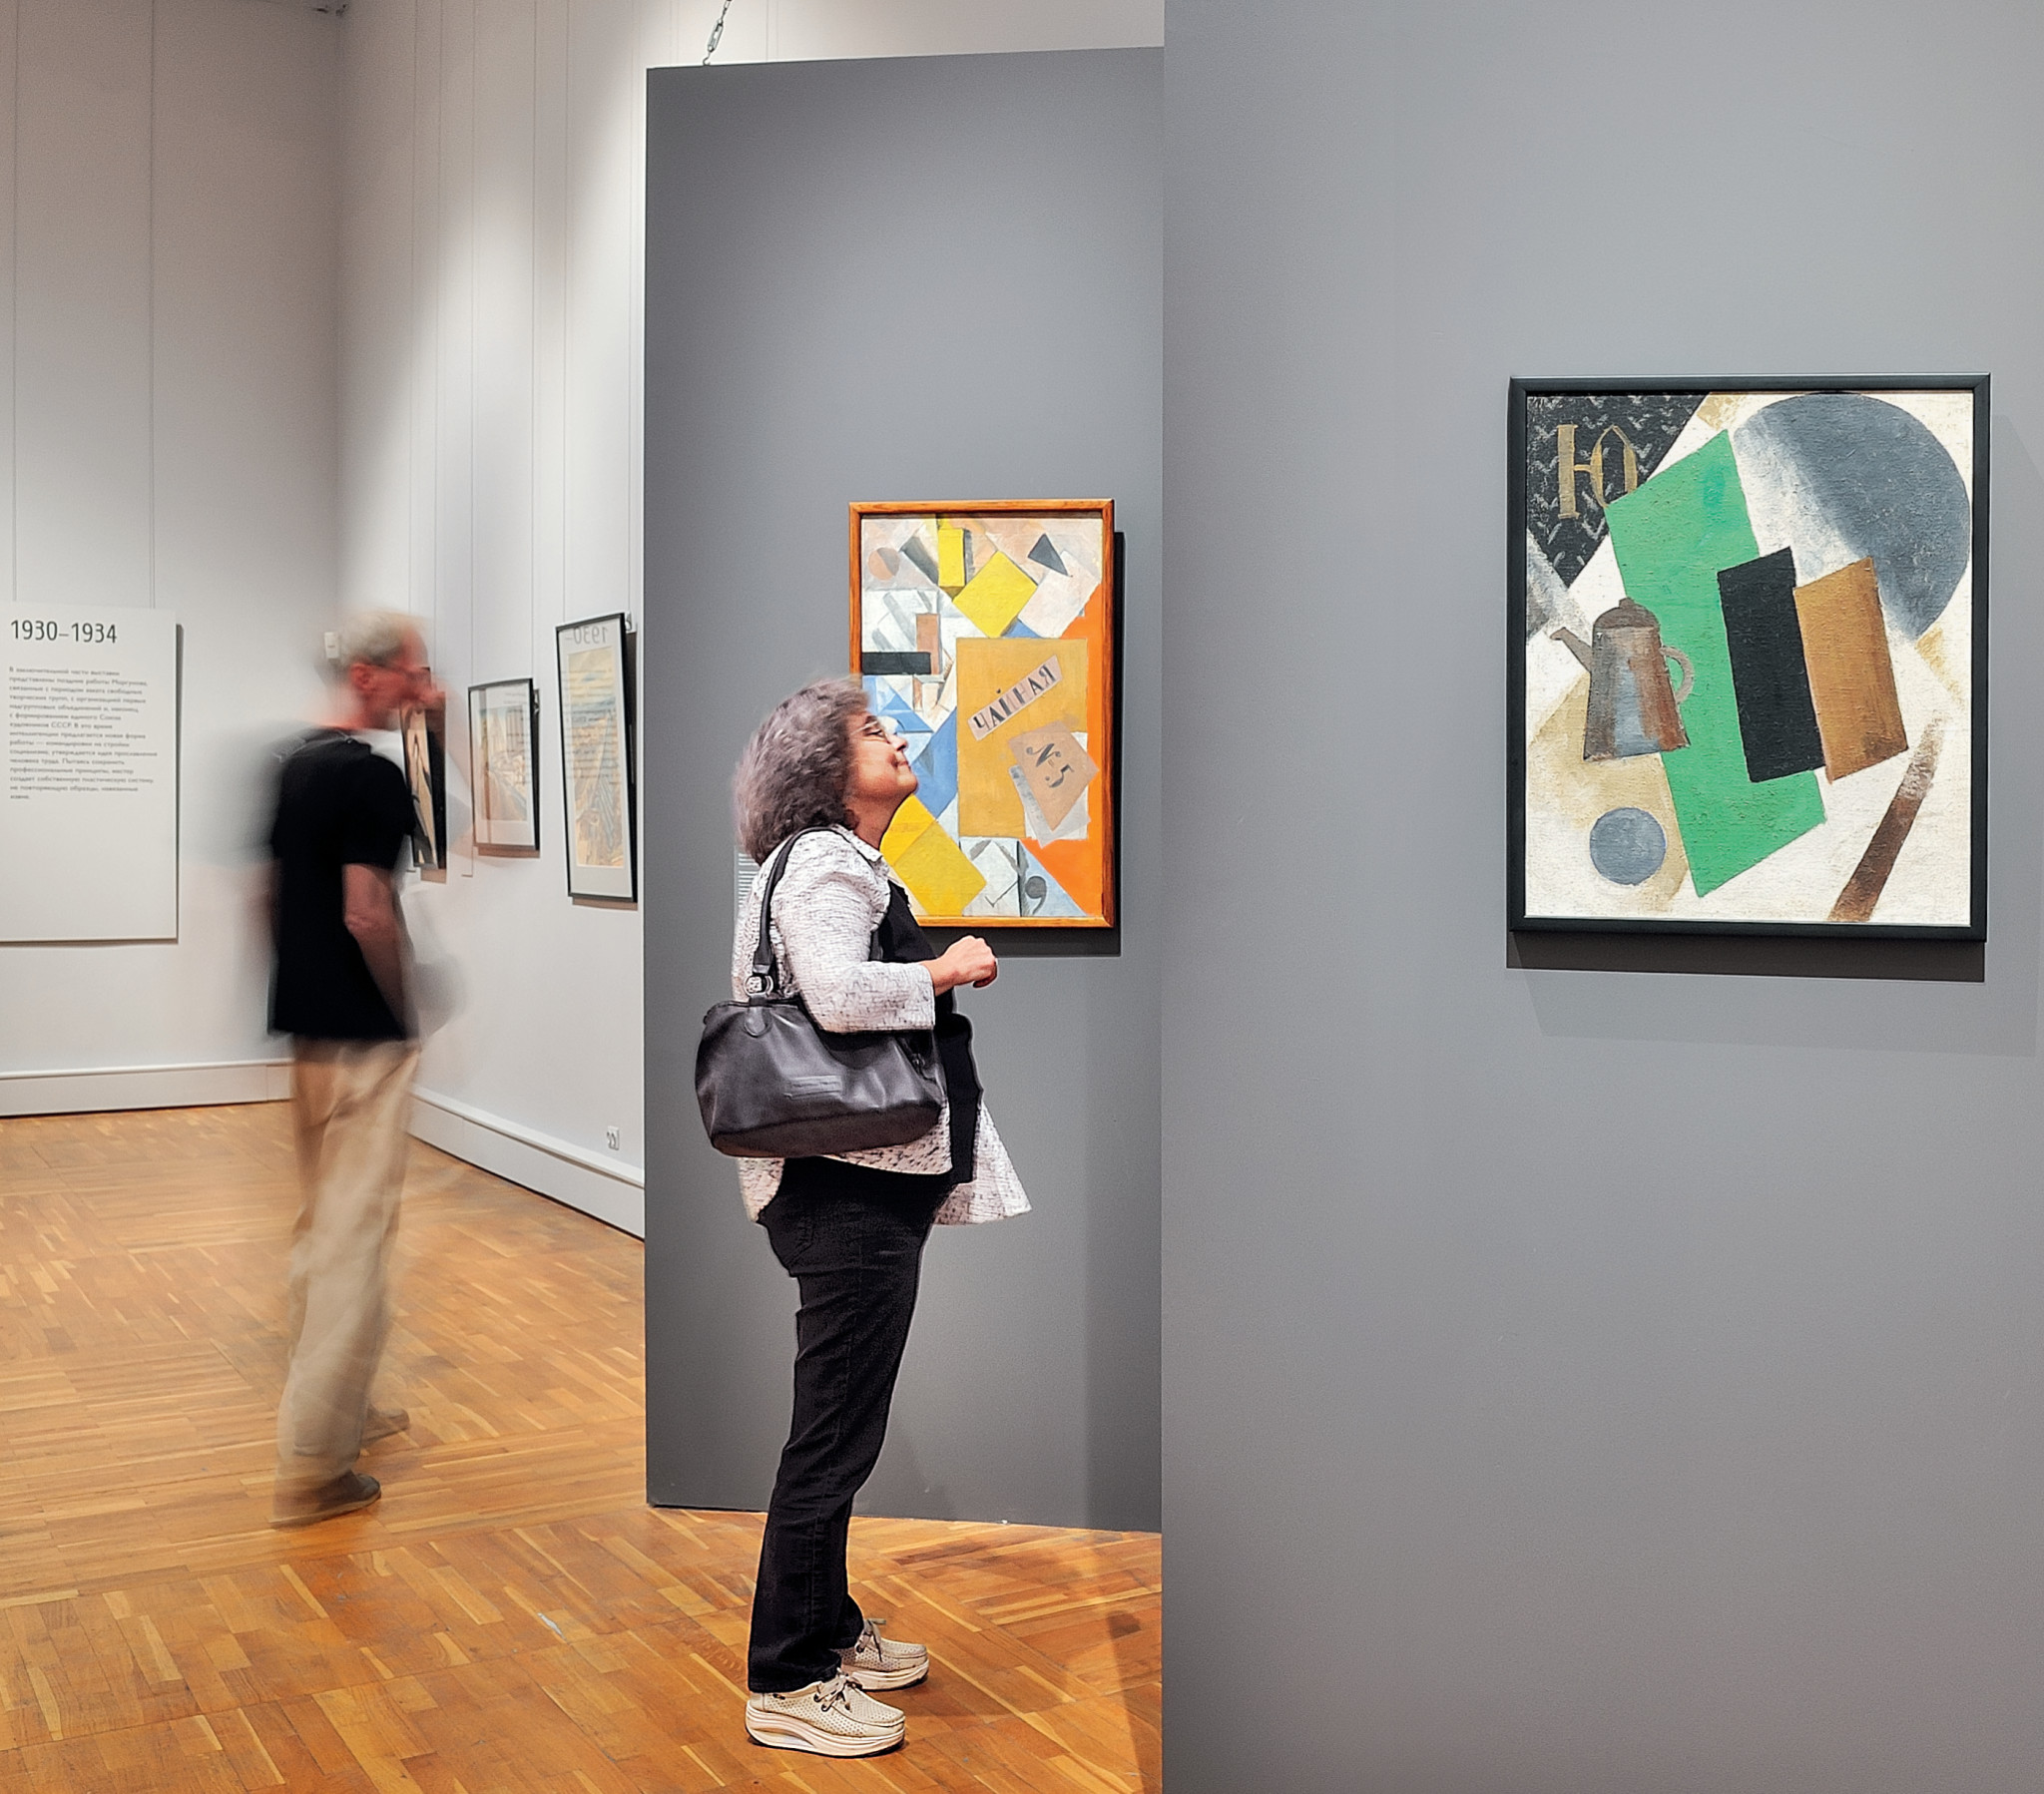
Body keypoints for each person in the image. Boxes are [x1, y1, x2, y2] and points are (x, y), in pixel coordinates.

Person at [731, 678, 1030, 1758]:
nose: (896, 738)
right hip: (843, 1188)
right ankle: (786, 1676)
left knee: (840, 1427)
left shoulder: (832, 859)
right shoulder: (825, 860)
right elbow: (834, 992)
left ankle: (827, 1627)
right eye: (870, 731)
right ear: (822, 767)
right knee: (833, 1436)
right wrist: (945, 967)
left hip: (846, 1180)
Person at [265, 612, 438, 1527]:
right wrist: (402, 1007)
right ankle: (315, 1462)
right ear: (368, 677)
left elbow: (265, 897)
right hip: (363, 1036)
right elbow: (367, 910)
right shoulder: (370, 777)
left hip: (305, 1030)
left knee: (318, 1226)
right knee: (353, 1242)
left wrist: (297, 986)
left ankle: (348, 1409)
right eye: (412, 669)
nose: (423, 684)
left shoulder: (294, 764)